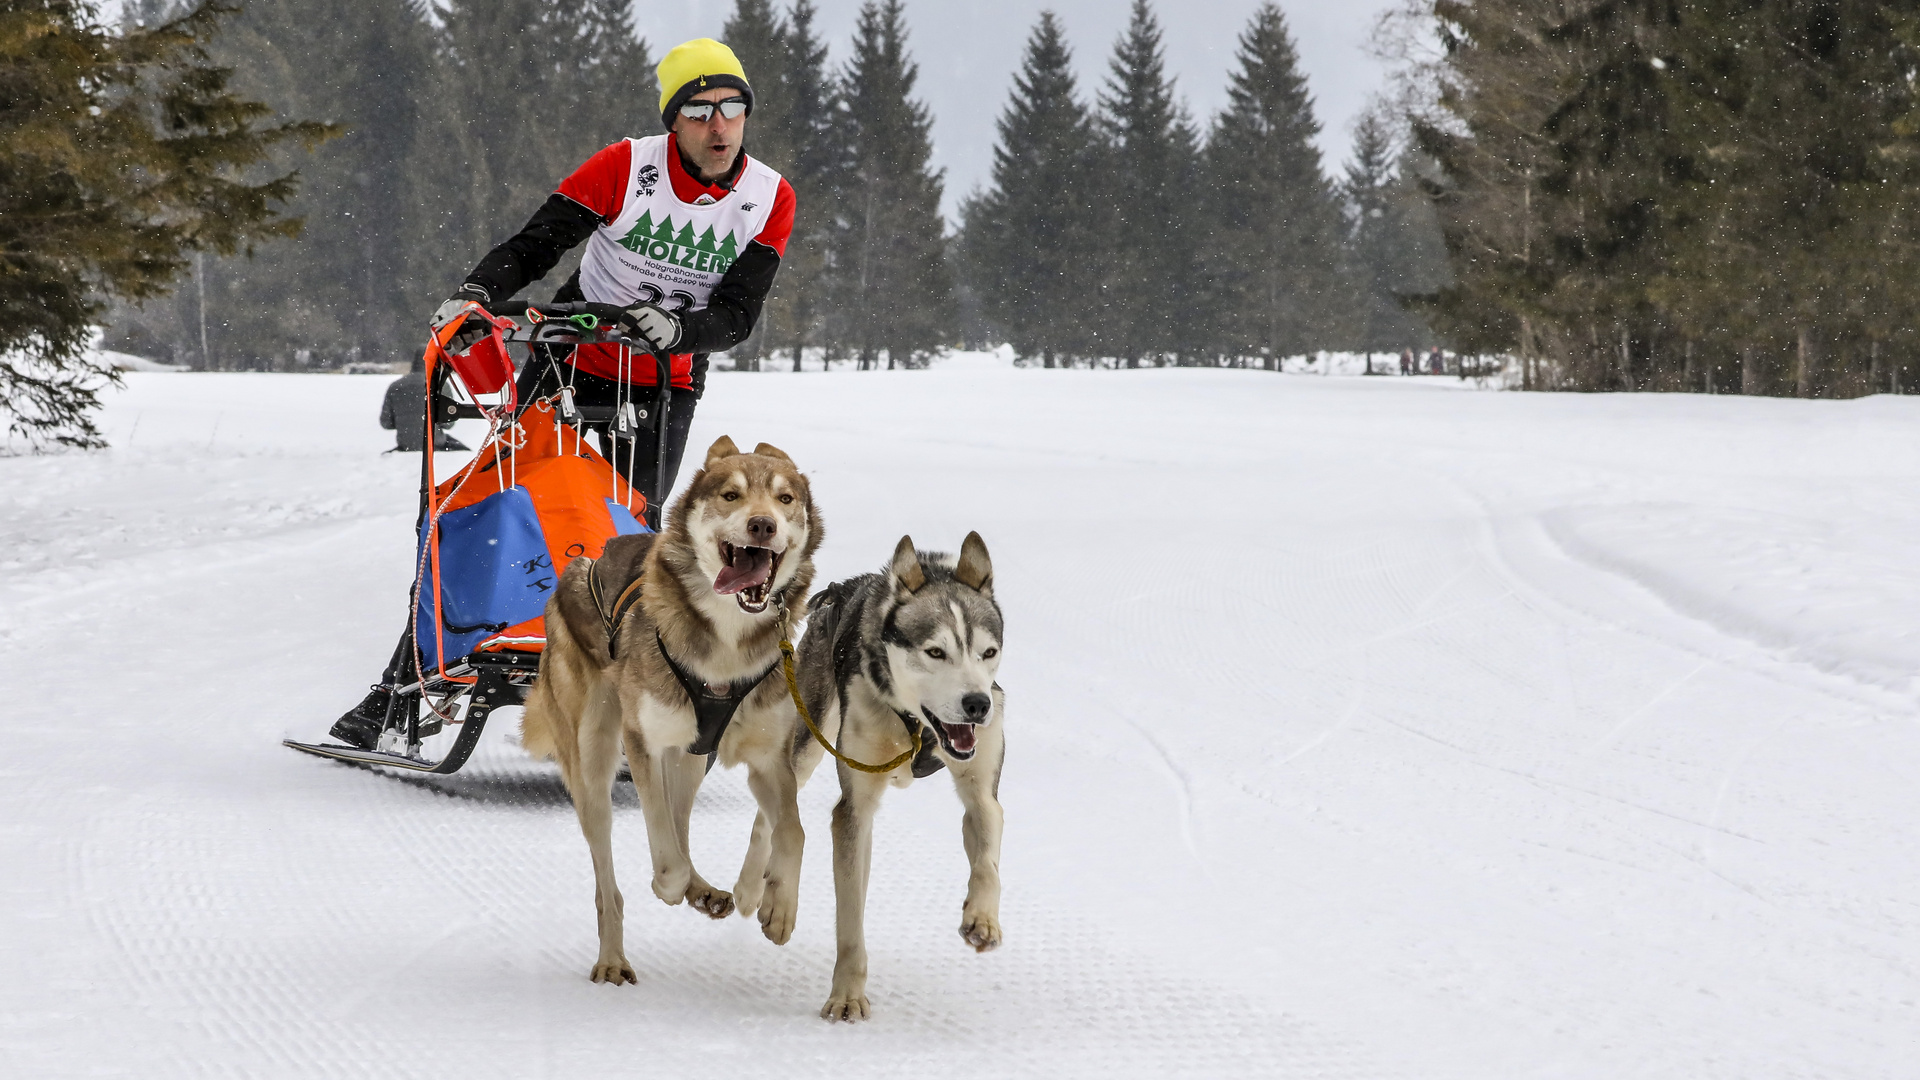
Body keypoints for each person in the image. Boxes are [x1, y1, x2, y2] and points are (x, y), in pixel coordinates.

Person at [329, 38, 797, 749]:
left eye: (732, 108)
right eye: (700, 110)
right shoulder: (626, 167)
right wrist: (475, 295)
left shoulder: (769, 197)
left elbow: (736, 316)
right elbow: (537, 244)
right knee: (503, 510)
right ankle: (402, 689)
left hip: (665, 381)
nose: (718, 125)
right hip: (568, 359)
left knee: (630, 539)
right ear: (675, 120)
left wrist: (677, 328)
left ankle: (645, 700)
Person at [379, 354, 468, 452]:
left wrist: (406, 423)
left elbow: (386, 423)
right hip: (436, 444)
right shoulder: (440, 384)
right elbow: (449, 423)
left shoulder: (395, 386)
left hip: (405, 445)